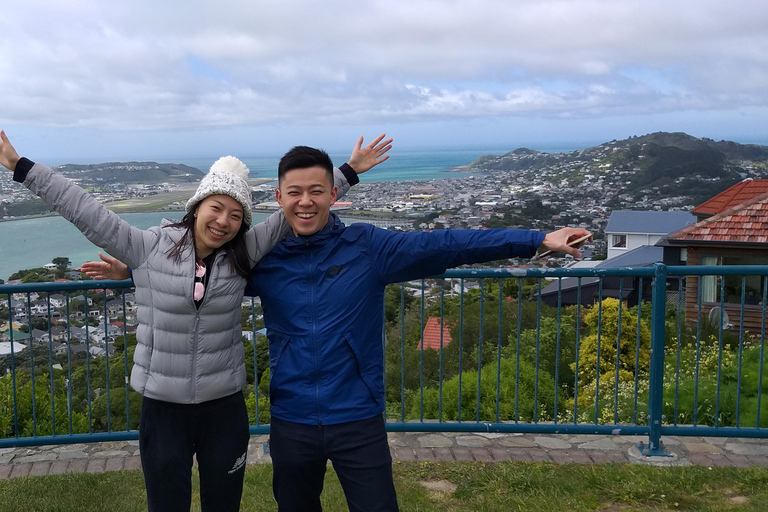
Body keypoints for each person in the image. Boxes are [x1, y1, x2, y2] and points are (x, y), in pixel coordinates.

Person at [83, 145, 590, 512]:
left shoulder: (370, 248)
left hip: (357, 417)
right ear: (280, 200)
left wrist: (535, 238)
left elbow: (448, 244)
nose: (306, 202)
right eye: (295, 193)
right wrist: (134, 271)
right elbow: (199, 274)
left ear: (333, 195)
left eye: (318, 191)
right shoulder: (261, 260)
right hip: (293, 420)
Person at [0, 130, 391, 512]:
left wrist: (348, 171)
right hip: (163, 408)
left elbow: (298, 207)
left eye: (236, 215)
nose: (223, 221)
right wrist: (22, 167)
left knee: (223, 503)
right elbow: (84, 209)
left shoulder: (246, 253)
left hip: (224, 409)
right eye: (216, 208)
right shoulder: (148, 247)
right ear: (197, 206)